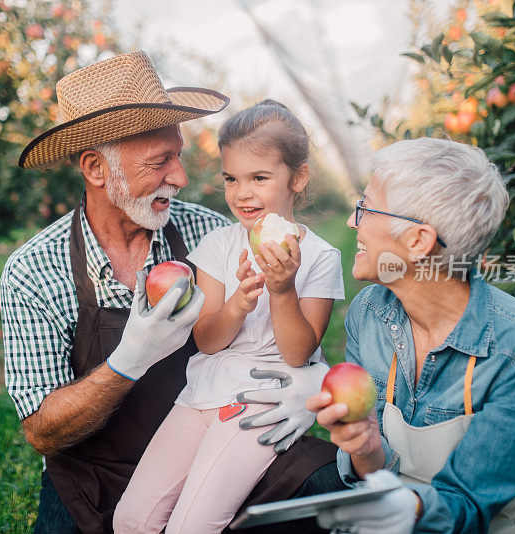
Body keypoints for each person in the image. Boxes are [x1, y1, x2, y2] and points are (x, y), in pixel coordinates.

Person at [1, 51, 341, 534]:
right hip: (98, 471)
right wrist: (128, 361)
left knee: (325, 486)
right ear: (97, 169)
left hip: (224, 431)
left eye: (178, 156)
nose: (181, 178)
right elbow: (42, 430)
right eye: (160, 163)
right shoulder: (35, 270)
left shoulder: (207, 229)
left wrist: (311, 375)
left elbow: (276, 324)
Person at [306, 137, 515, 533]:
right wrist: (365, 447)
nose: (351, 221)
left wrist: (406, 508)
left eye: (364, 207)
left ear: (417, 241)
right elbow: (374, 469)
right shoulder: (369, 314)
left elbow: (470, 502)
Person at [113, 100, 345, 533]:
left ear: (298, 177)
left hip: (258, 401)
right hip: (198, 397)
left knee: (192, 526)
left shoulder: (319, 257)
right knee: (130, 519)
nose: (242, 193)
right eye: (231, 179)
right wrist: (239, 300)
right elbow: (207, 340)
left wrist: (281, 290)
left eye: (259, 178)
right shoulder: (219, 245)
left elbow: (299, 352)